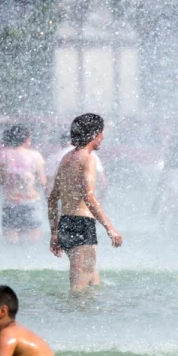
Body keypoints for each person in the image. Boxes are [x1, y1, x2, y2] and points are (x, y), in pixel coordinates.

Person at [47, 113, 122, 292]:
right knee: (78, 289)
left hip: (66, 224)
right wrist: (110, 228)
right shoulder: (88, 159)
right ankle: (67, 317)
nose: (103, 137)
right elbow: (89, 196)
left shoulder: (66, 159)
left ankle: (91, 319)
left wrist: (55, 233)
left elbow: (52, 198)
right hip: (81, 225)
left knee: (93, 283)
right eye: (101, 133)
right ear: (94, 134)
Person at [0, 125, 47, 243]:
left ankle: (14, 260)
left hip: (12, 201)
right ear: (26, 139)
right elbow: (42, 181)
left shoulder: (5, 154)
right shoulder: (36, 155)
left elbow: (0, 179)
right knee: (33, 242)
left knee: (11, 240)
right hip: (31, 201)